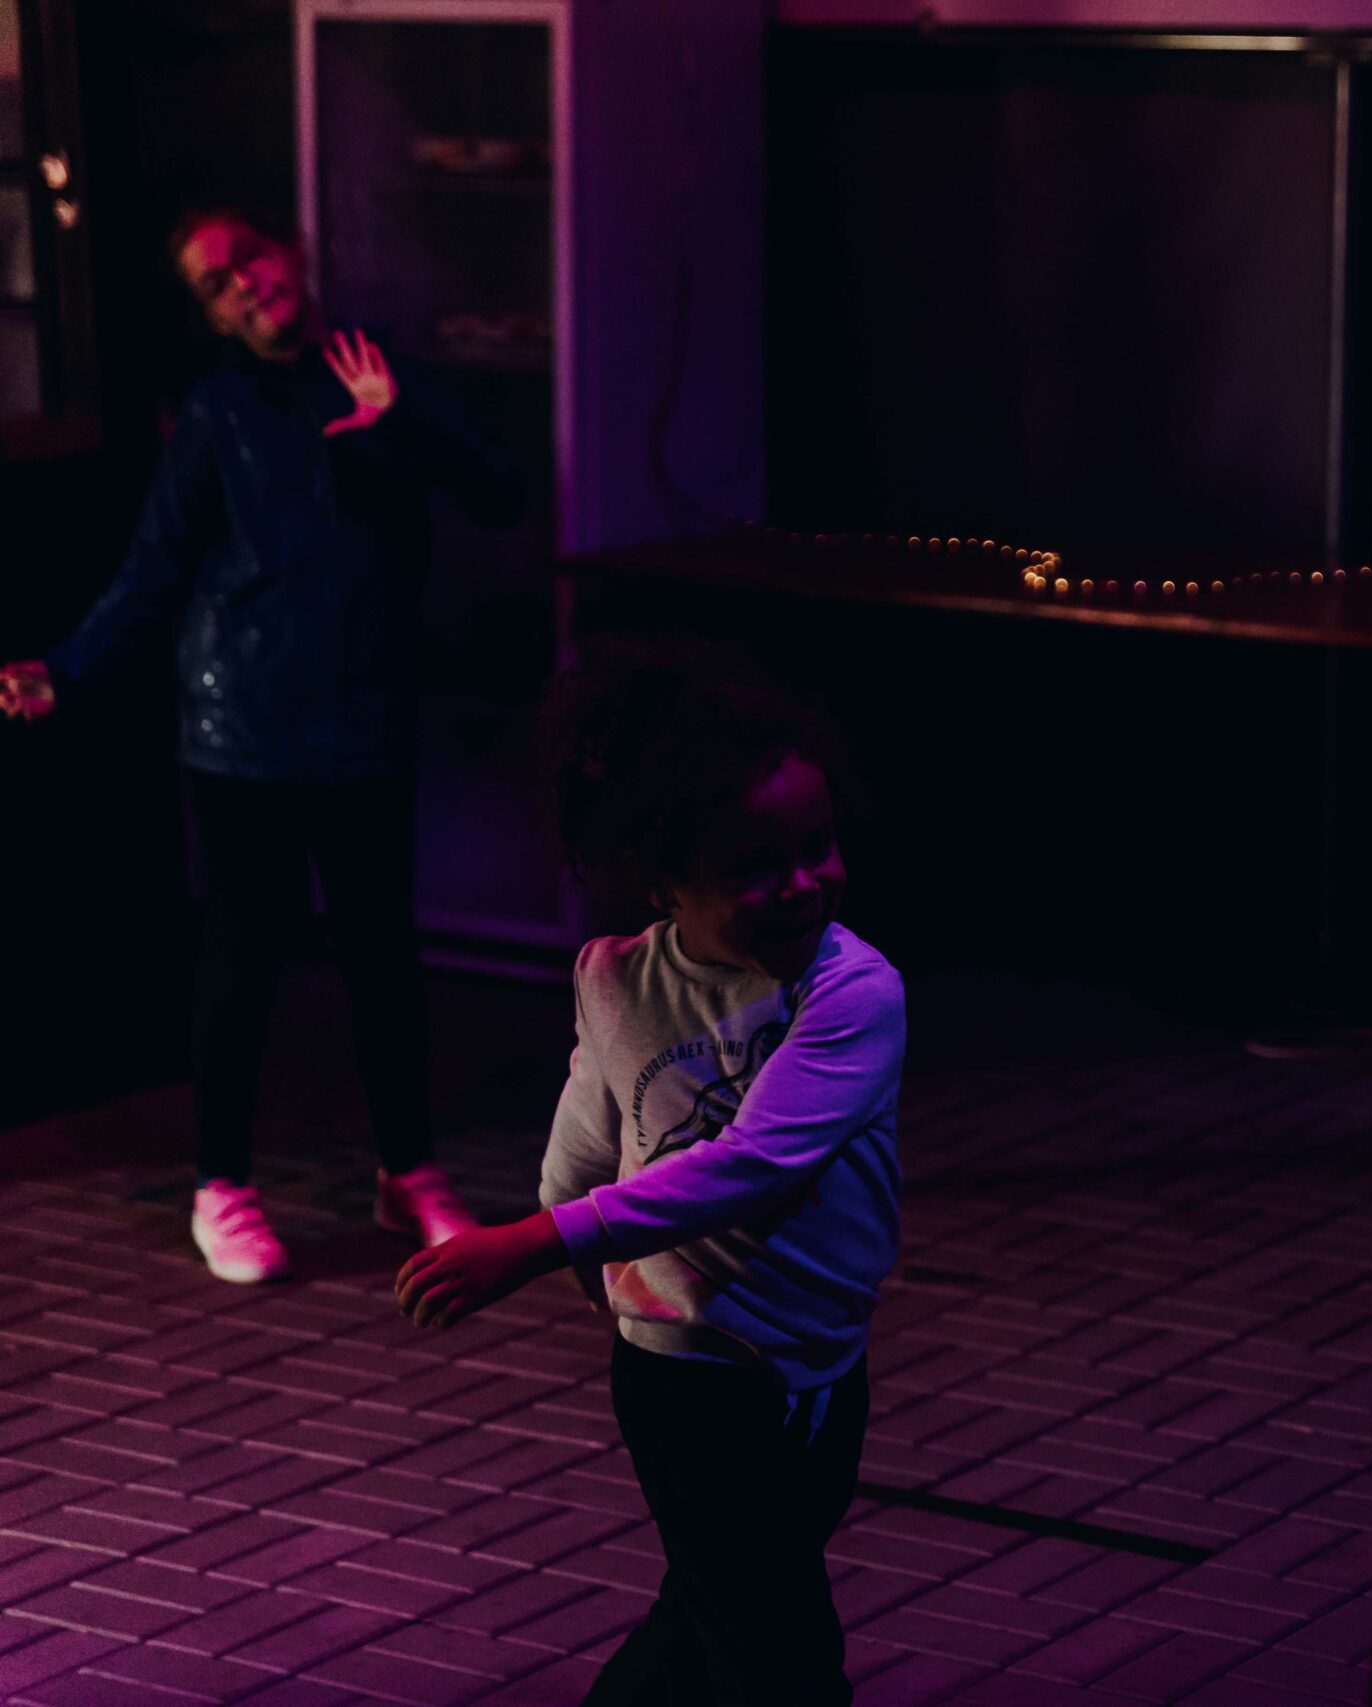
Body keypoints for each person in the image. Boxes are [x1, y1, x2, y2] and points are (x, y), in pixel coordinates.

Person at [0, 207, 524, 1283]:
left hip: (365, 715)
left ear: (289, 252)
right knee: (241, 952)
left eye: (248, 257)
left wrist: (390, 431)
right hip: (242, 722)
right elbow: (155, 566)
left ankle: (408, 1172)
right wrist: (70, 668)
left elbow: (501, 494)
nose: (242, 282)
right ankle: (222, 1187)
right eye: (215, 283)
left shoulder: (385, 373)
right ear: (213, 316)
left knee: (380, 951)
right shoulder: (217, 412)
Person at [395, 642, 904, 1707]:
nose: (802, 883)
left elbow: (755, 1163)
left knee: (716, 1604)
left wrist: (540, 1243)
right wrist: (579, 1247)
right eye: (754, 866)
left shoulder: (851, 995)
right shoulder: (617, 979)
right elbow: (584, 1139)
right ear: (665, 879)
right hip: (685, 1374)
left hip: (823, 1361)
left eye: (818, 846)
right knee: (775, 1649)